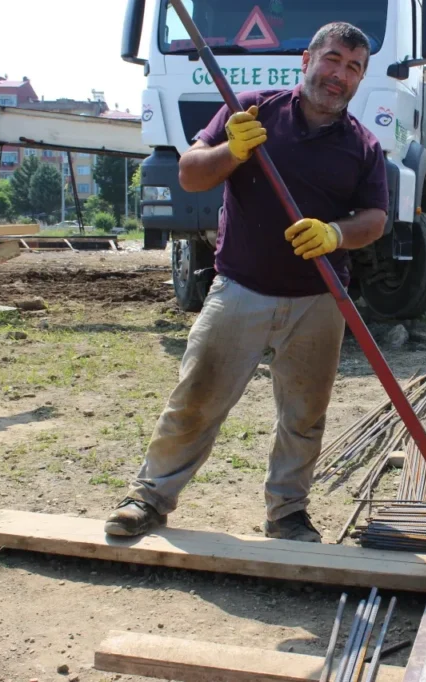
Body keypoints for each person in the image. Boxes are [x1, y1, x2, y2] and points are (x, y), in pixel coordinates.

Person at [104, 23, 389, 541]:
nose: (339, 75)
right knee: (197, 399)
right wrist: (232, 151)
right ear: (306, 60)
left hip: (318, 300)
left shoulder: (362, 145)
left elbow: (375, 219)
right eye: (332, 60)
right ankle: (148, 498)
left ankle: (287, 513)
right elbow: (191, 174)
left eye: (353, 68)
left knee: (305, 416)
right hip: (240, 288)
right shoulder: (253, 110)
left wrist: (334, 233)